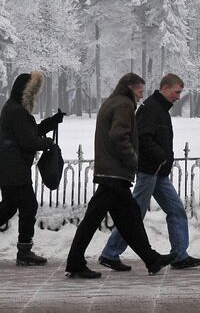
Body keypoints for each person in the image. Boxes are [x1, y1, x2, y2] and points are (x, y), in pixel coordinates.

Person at [64, 72, 167, 279]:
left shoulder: (114, 101)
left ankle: (151, 259)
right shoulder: (123, 105)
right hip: (114, 174)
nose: (141, 96)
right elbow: (118, 136)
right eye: (139, 91)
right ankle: (75, 262)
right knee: (95, 219)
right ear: (129, 87)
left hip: (111, 172)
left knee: (129, 218)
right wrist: (133, 160)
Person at [98, 73, 200, 271]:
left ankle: (180, 255)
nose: (178, 97)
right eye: (176, 92)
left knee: (175, 210)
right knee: (134, 215)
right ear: (165, 88)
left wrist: (162, 159)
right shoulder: (152, 109)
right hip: (149, 170)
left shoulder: (159, 108)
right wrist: (161, 156)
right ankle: (110, 253)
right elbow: (143, 138)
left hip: (158, 172)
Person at [0, 71, 64, 266]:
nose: (35, 96)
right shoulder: (16, 110)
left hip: (10, 167)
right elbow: (28, 140)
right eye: (33, 92)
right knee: (29, 205)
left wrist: (51, 122)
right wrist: (47, 142)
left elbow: (28, 132)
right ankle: (24, 251)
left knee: (8, 207)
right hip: (14, 169)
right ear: (25, 91)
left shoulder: (15, 109)